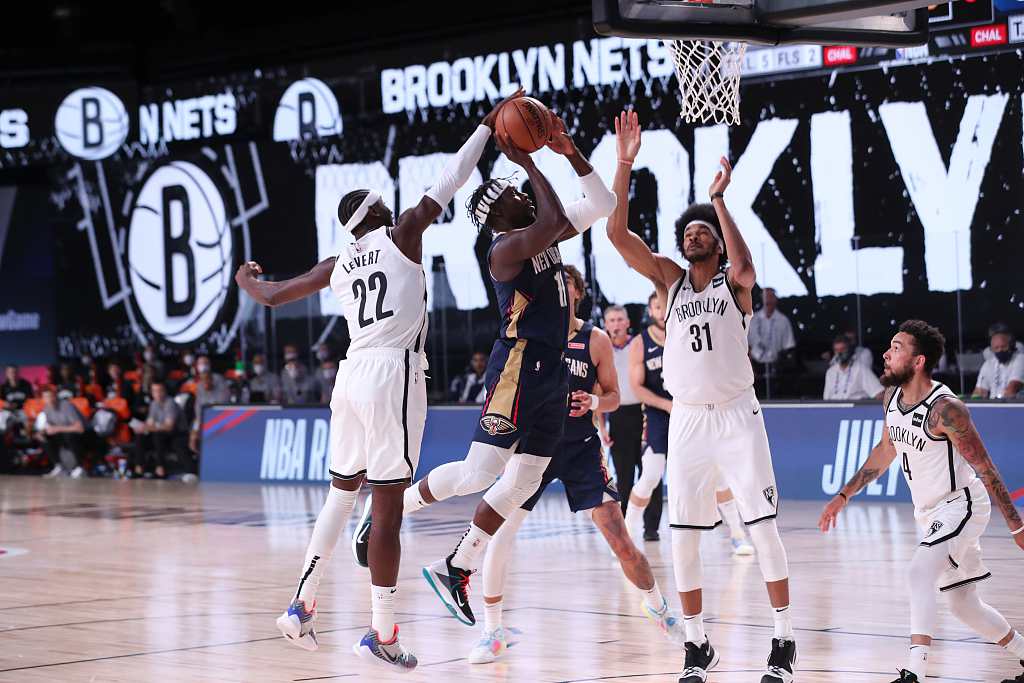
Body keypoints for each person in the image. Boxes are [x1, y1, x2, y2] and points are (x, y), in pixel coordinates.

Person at [236, 89, 518, 671]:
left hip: (351, 374)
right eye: (384, 205)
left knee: (341, 495)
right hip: (394, 373)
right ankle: (382, 630)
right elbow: (451, 177)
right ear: (375, 215)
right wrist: (488, 126)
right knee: (386, 507)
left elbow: (270, 296)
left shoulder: (336, 264)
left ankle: (301, 605)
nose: (393, 208)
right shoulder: (403, 234)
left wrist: (246, 278)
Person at [356, 107, 616, 629]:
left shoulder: (545, 233)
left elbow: (603, 204)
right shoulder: (506, 250)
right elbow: (550, 220)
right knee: (479, 473)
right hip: (517, 367)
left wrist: (570, 154)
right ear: (500, 212)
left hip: (553, 370)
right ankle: (391, 507)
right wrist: (529, 160)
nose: (523, 192)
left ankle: (457, 566)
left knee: (525, 480)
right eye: (515, 191)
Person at [605, 110, 797, 683]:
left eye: (702, 231)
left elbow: (746, 264)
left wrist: (718, 201)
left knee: (762, 528)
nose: (692, 235)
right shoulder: (669, 281)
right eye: (687, 231)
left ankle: (784, 640)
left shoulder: (733, 284)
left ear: (714, 240)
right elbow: (616, 236)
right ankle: (696, 645)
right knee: (682, 538)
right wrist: (623, 164)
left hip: (737, 416)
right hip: (687, 419)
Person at [466, 265, 683, 664]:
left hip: (580, 447)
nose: (557, 293)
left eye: (564, 286)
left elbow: (614, 396)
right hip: (534, 448)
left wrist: (595, 401)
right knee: (503, 534)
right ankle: (492, 630)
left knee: (620, 539)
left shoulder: (595, 339)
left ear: (578, 293)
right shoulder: (531, 335)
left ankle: (659, 607)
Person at [818, 320, 1024, 682]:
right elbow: (886, 450)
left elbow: (985, 466)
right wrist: (844, 495)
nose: (886, 353)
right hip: (930, 514)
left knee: (919, 572)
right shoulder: (891, 398)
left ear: (918, 361)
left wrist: (1017, 527)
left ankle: (915, 671)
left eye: (896, 348)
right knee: (964, 605)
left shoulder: (946, 409)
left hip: (961, 504)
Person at [625, 291, 754, 556]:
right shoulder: (641, 342)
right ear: (650, 310)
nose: (661, 311)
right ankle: (626, 539)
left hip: (694, 411)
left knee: (718, 474)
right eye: (656, 307)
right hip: (659, 415)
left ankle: (738, 535)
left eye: (664, 306)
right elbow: (637, 387)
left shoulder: (686, 331)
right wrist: (666, 405)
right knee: (650, 475)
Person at [604, 304, 661, 539]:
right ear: (606, 325)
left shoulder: (638, 344)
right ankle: (627, 526)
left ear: (627, 323)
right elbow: (597, 388)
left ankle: (651, 527)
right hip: (618, 416)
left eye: (620, 319)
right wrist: (602, 426)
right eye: (612, 320)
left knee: (650, 472)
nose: (616, 324)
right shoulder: (602, 348)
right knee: (624, 476)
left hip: (644, 413)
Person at [131, 381, 187, 479]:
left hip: (176, 434)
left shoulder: (170, 403)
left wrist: (150, 427)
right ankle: (139, 469)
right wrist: (142, 428)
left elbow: (169, 426)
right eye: (154, 391)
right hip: (160, 433)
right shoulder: (153, 404)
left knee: (157, 435)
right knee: (140, 436)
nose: (157, 394)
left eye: (160, 390)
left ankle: (160, 469)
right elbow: (150, 423)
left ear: (165, 391)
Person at [39, 388, 88, 479]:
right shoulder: (46, 409)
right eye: (46, 397)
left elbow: (80, 428)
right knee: (43, 437)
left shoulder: (67, 406)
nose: (49, 399)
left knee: (70, 436)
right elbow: (51, 426)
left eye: (51, 396)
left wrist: (57, 429)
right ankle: (59, 467)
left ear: (56, 396)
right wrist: (43, 431)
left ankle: (80, 467)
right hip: (63, 435)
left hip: (83, 435)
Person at [823, 334, 884, 400]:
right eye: (837, 350)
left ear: (849, 350)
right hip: (833, 406)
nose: (839, 353)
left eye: (843, 349)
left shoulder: (860, 369)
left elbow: (879, 393)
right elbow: (826, 399)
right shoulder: (830, 372)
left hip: (855, 405)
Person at [972, 323, 1023, 400]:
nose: (1000, 350)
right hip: (994, 405)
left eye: (1003, 347)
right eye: (996, 348)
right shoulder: (988, 364)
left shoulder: (1020, 359)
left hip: (1013, 405)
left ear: (1011, 345)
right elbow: (979, 393)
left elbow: (1012, 389)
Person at [747, 287, 796, 365]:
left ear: (775, 299)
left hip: (777, 365)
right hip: (755, 365)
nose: (768, 299)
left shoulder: (783, 321)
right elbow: (748, 345)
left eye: (771, 296)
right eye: (766, 296)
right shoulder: (753, 319)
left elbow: (788, 347)